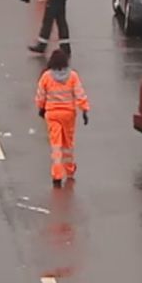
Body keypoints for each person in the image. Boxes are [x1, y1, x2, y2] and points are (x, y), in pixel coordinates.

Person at [35, 49, 89, 186]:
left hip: (52, 114)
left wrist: (41, 108)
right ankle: (70, 170)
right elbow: (79, 94)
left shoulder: (46, 77)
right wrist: (84, 110)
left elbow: (41, 95)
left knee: (56, 145)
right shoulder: (72, 76)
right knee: (68, 144)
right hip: (68, 115)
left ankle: (57, 175)